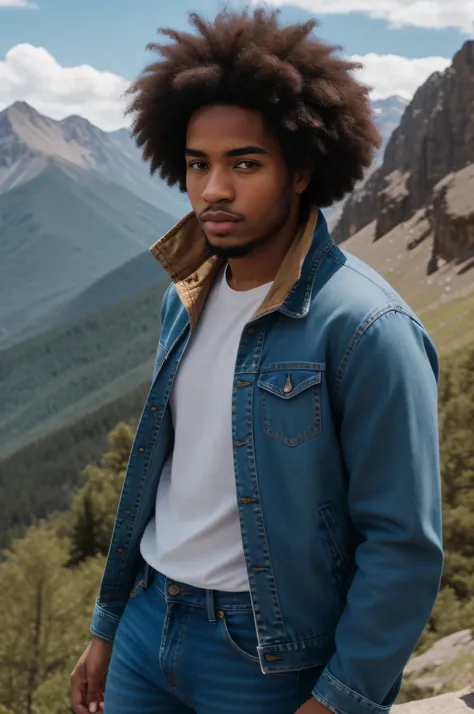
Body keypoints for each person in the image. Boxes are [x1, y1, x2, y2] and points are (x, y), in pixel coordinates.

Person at [71, 9, 443, 714]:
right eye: (196, 164)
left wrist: (340, 697)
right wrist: (109, 624)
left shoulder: (368, 329)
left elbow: (403, 545)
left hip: (264, 657)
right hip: (150, 624)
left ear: (302, 170)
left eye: (245, 163)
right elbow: (160, 476)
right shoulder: (182, 298)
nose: (214, 189)